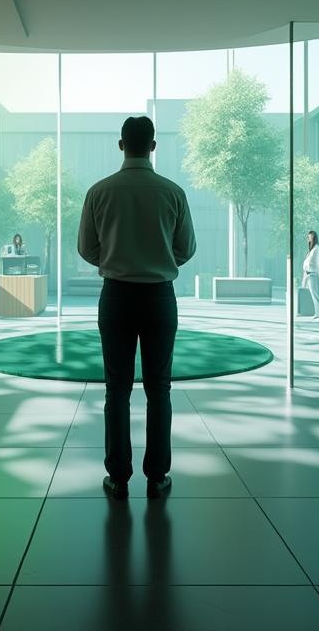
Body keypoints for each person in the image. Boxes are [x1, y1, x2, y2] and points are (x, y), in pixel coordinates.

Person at [78, 115, 196, 501]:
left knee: (117, 390)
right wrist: (159, 257)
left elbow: (86, 248)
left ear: (120, 145)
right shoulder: (172, 192)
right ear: (154, 146)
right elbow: (186, 249)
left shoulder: (100, 192)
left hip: (115, 297)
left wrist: (114, 258)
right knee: (159, 389)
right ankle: (157, 475)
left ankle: (118, 476)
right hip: (160, 297)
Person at [301, 230, 319, 323]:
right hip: (309, 274)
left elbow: (314, 262)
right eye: (308, 236)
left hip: (313, 274)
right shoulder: (311, 249)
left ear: (314, 237)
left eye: (310, 236)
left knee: (317, 294)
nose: (308, 238)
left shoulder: (316, 248)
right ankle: (317, 313)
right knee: (313, 295)